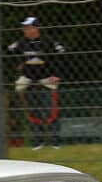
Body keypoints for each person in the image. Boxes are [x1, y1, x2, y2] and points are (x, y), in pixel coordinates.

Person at [7, 16, 67, 148]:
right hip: (29, 80)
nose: (25, 30)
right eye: (24, 28)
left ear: (36, 28)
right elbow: (9, 53)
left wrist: (57, 74)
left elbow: (61, 55)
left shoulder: (48, 41)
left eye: (28, 27)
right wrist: (18, 65)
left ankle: (55, 141)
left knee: (51, 110)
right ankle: (38, 141)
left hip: (46, 79)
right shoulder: (21, 43)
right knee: (33, 111)